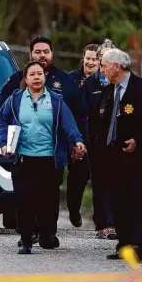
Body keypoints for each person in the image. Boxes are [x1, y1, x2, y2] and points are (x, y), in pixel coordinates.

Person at [0, 61, 86, 254]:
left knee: (49, 200)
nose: (36, 77)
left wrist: (77, 141)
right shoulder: (15, 100)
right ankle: (26, 239)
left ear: (45, 77)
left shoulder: (56, 100)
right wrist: (3, 143)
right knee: (24, 201)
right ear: (26, 79)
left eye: (40, 74)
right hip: (23, 159)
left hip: (49, 160)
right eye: (32, 74)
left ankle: (47, 235)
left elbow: (68, 125)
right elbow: (1, 121)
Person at [97, 48, 142, 261]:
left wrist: (138, 141)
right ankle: (123, 243)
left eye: (104, 64)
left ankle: (136, 244)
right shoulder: (108, 91)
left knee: (136, 197)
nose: (101, 69)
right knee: (117, 199)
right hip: (113, 156)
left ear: (117, 66)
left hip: (138, 156)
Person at [80, 39, 117, 239]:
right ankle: (103, 224)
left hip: (117, 143)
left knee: (117, 183)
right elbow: (83, 113)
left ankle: (116, 222)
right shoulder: (90, 83)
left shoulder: (121, 82)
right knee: (100, 183)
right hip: (96, 142)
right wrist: (85, 139)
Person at [64, 44, 100, 229]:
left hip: (97, 137)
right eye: (88, 58)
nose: (91, 62)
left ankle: (102, 220)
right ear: (83, 58)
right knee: (77, 177)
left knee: (100, 179)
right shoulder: (70, 80)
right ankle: (73, 208)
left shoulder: (104, 81)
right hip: (76, 136)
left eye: (95, 59)